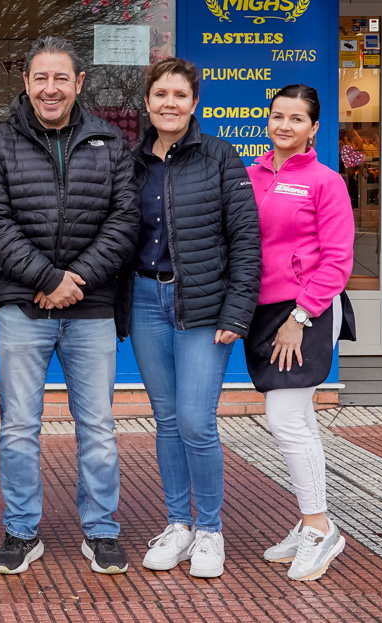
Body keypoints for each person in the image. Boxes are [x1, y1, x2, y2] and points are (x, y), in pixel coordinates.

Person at [0, 36, 139, 576]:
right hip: (24, 308)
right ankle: (22, 530)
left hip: (90, 311)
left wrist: (79, 279)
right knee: (19, 427)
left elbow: (125, 222)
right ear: (26, 82)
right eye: (40, 78)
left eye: (60, 78)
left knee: (97, 427)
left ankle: (102, 530)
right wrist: (47, 278)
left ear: (78, 84)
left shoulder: (109, 143)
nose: (50, 88)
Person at [116, 58, 260, 578]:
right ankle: (178, 524)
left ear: (194, 102)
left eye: (180, 94)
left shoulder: (221, 156)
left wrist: (237, 310)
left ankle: (211, 531)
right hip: (146, 301)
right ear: (148, 102)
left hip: (203, 307)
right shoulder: (131, 161)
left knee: (198, 422)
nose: (170, 103)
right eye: (160, 95)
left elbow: (246, 240)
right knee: (168, 421)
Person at [247, 84, 355, 581]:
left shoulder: (325, 181)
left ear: (314, 128)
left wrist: (300, 317)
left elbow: (337, 261)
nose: (284, 126)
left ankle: (320, 527)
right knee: (298, 419)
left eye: (296, 119)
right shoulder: (250, 175)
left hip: (308, 309)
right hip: (263, 311)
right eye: (277, 116)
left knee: (285, 415)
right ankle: (310, 521)